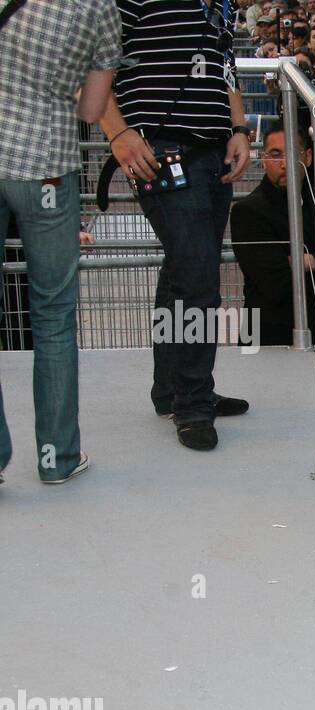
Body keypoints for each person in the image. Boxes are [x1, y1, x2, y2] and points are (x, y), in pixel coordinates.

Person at [101, 0, 253, 451]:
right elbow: (89, 67)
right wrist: (118, 134)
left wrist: (240, 127)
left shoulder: (221, 4)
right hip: (159, 149)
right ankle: (192, 401)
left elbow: (225, 68)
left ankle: (174, 389)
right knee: (198, 276)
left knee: (182, 274)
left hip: (214, 152)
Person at [0, 0, 119, 485]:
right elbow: (92, 110)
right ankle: (56, 458)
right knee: (53, 315)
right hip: (47, 163)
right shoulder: (100, 9)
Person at [230, 119, 315, 379]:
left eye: (293, 154)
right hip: (272, 338)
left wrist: (306, 261)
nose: (284, 163)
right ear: (263, 159)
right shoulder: (247, 212)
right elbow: (276, 282)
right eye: (275, 154)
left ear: (307, 157)